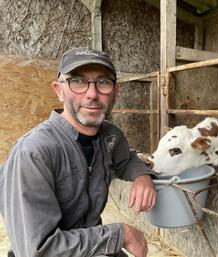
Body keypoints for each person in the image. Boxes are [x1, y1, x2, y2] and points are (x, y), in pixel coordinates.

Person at [0, 47, 157, 257]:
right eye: (78, 81)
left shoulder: (110, 135)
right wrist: (121, 234)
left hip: (92, 245)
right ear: (59, 90)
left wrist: (142, 176)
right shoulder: (34, 152)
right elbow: (37, 251)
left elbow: (126, 159)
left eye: (103, 82)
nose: (92, 94)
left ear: (115, 91)